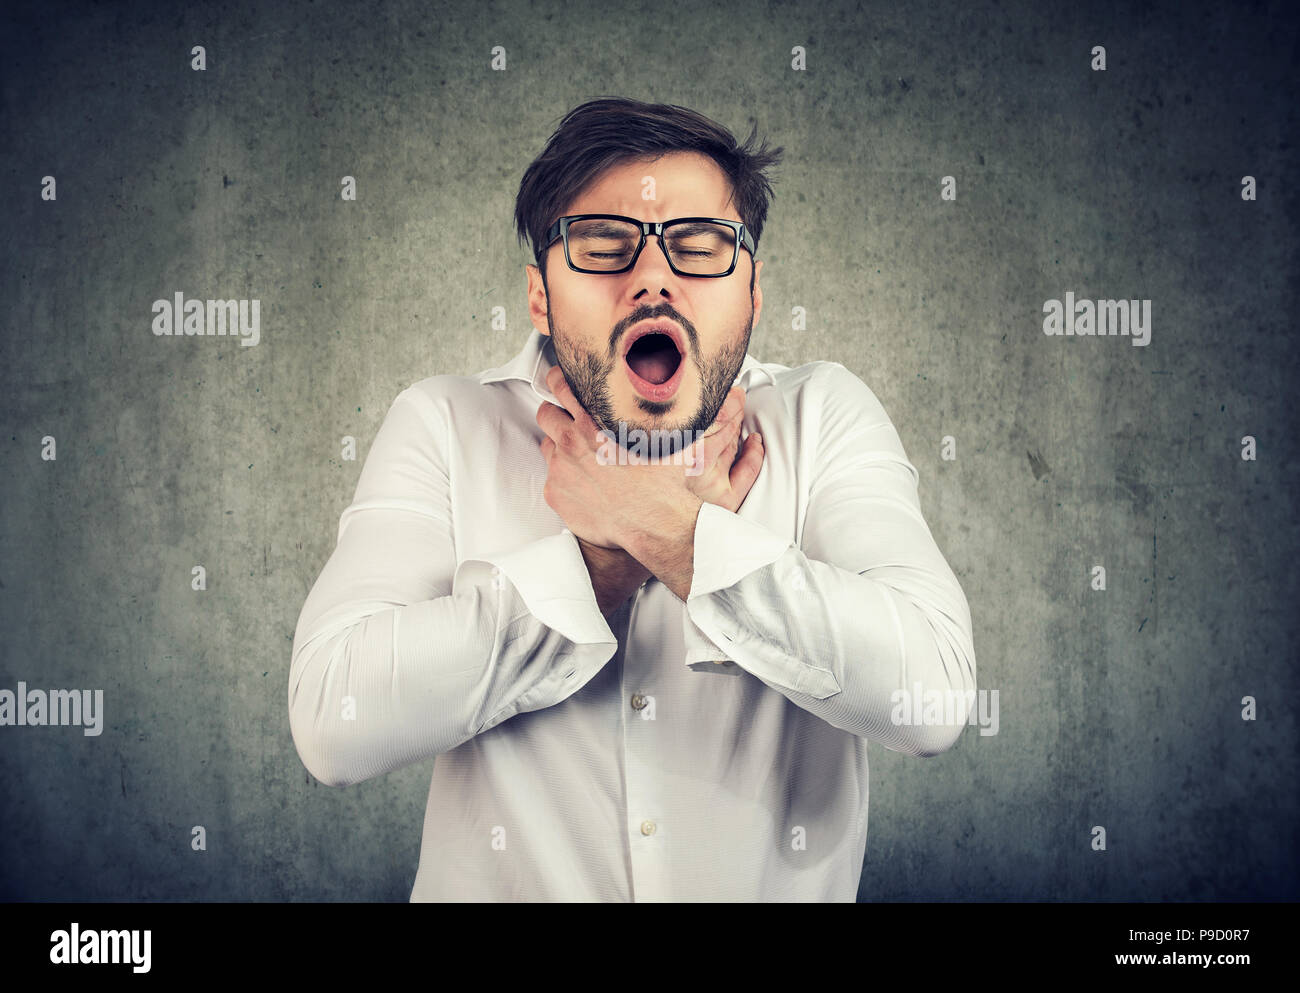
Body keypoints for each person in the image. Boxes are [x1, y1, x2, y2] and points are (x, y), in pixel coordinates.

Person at [289, 97, 977, 902]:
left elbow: (929, 697)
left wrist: (680, 537)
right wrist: (596, 567)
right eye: (603, 246)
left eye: (700, 246)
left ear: (752, 290)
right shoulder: (444, 423)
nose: (653, 277)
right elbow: (333, 725)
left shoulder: (823, 416)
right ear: (541, 295)